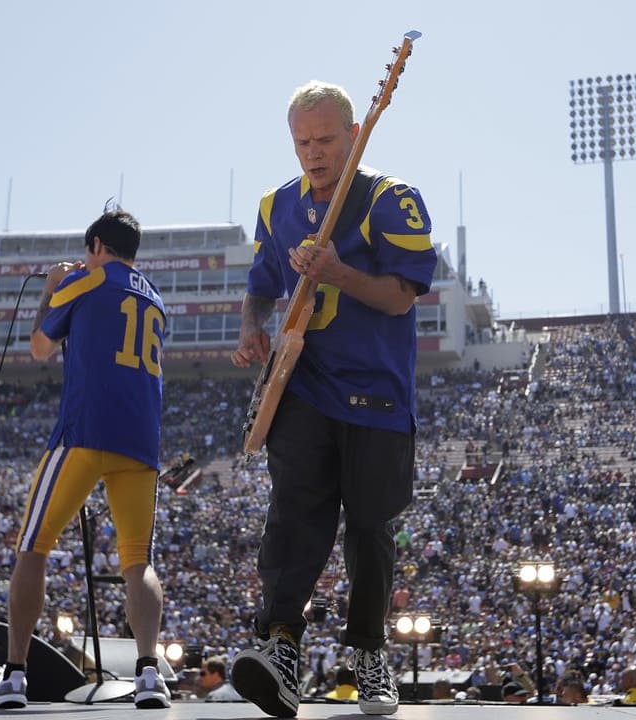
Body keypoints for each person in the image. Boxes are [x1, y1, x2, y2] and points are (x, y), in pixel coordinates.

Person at [229, 79, 437, 719]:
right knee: (293, 516)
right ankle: (280, 642)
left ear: (353, 134)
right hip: (305, 386)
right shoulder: (276, 205)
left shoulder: (391, 199)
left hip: (375, 391)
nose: (313, 153)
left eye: (324, 139)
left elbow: (401, 296)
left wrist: (337, 272)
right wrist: (251, 326)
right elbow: (262, 280)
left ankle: (370, 655)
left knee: (371, 528)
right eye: (301, 143)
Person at [0, 208, 171, 710]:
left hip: (85, 432)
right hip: (142, 442)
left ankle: (15, 674)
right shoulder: (155, 298)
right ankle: (150, 674)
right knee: (137, 561)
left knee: (33, 548)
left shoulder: (86, 281)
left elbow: (40, 347)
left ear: (95, 245)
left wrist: (51, 287)